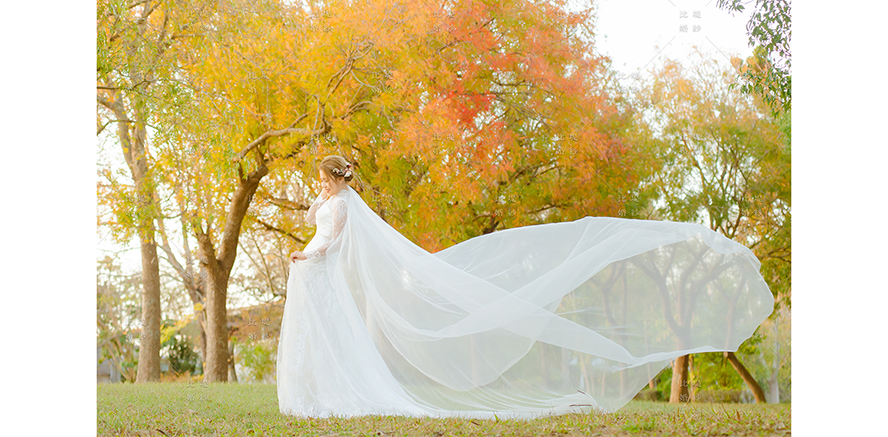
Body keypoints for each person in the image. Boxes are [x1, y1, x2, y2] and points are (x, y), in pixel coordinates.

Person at [276, 154, 774, 419]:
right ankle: (310, 394)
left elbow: (332, 243)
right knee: (317, 336)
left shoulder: (343, 206)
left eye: (323, 178)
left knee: (332, 335)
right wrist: (308, 240)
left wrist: (307, 253)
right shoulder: (328, 199)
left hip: (316, 268)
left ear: (335, 179)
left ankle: (333, 395)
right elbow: (320, 227)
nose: (319, 183)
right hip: (310, 274)